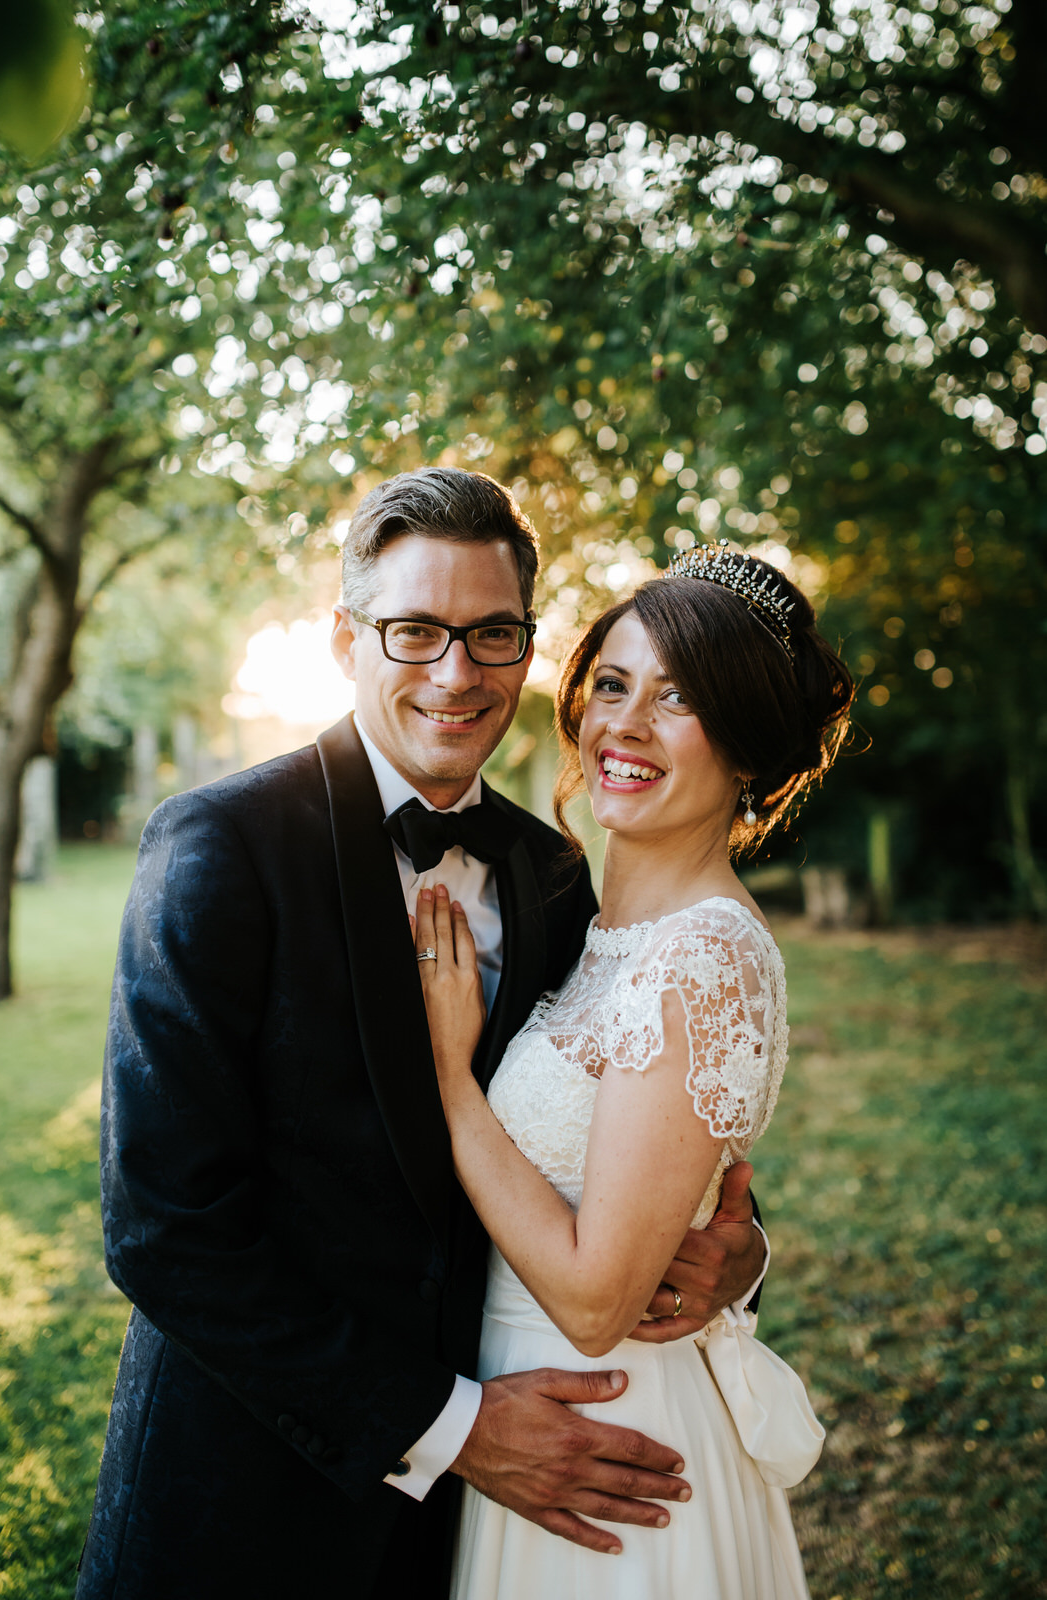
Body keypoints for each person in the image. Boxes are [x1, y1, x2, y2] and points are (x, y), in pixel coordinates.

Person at [76, 471, 767, 1600]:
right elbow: (164, 1226)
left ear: (530, 645)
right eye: (414, 632)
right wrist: (451, 1426)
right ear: (347, 637)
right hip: (247, 1510)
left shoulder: (550, 872)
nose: (457, 674)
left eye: (492, 634)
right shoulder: (218, 845)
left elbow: (618, 1101)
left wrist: (735, 1256)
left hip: (468, 1540)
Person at [412, 542, 854, 1598]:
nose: (627, 724)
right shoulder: (588, 914)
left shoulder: (708, 954)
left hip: (613, 1449)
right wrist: (736, 1254)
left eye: (681, 699)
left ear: (746, 747)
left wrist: (448, 1079)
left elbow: (598, 1298)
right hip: (520, 1426)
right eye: (613, 683)